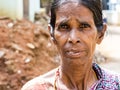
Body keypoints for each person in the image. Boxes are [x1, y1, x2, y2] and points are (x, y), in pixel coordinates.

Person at [21, 0, 120, 90]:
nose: (73, 38)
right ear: (52, 34)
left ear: (101, 34)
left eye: (84, 26)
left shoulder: (116, 85)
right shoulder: (36, 88)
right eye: (64, 27)